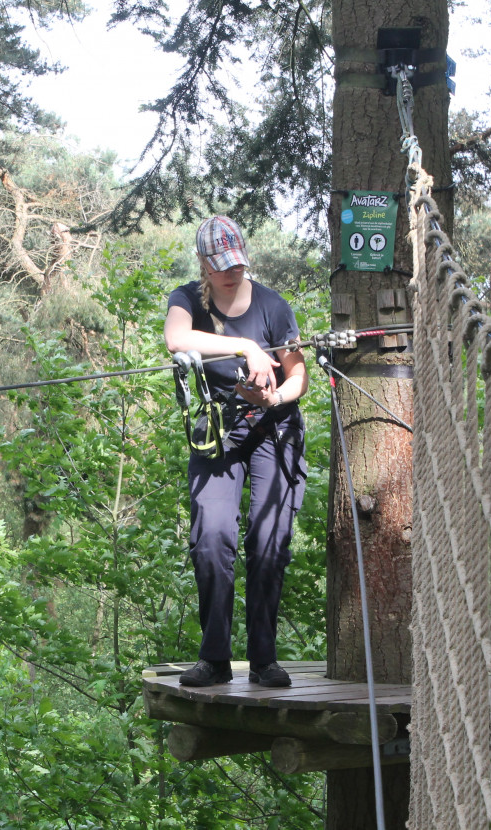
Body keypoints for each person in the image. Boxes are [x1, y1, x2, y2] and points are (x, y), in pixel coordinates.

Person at [163, 215, 309, 688]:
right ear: (204, 265)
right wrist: (246, 346)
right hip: (219, 432)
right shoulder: (187, 300)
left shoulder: (273, 306)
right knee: (212, 537)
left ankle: (264, 659)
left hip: (272, 427)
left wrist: (274, 396)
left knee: (268, 541)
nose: (232, 272)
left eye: (238, 264)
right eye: (222, 265)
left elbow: (297, 377)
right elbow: (176, 339)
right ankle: (214, 658)